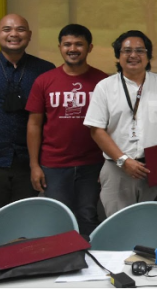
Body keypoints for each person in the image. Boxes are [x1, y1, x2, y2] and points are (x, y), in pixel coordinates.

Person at [83, 30, 157, 217]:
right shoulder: (105, 87)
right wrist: (123, 160)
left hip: (155, 169)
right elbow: (96, 130)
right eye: (126, 51)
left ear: (149, 55)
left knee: (152, 224)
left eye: (140, 50)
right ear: (118, 56)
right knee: (117, 226)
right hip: (117, 168)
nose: (133, 55)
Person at [25, 24, 108, 238]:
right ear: (60, 47)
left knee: (88, 215)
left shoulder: (103, 82)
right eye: (67, 44)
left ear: (89, 48)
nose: (73, 48)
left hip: (93, 164)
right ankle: (62, 264)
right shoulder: (44, 80)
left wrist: (109, 163)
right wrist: (34, 165)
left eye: (79, 44)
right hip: (54, 164)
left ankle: (92, 264)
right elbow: (34, 124)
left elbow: (112, 126)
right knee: (58, 218)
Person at [0, 14, 55, 218]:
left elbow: (51, 116)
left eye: (20, 29)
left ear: (29, 35)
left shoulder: (45, 70)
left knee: (24, 222)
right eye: (7, 30)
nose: (13, 34)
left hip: (31, 163)